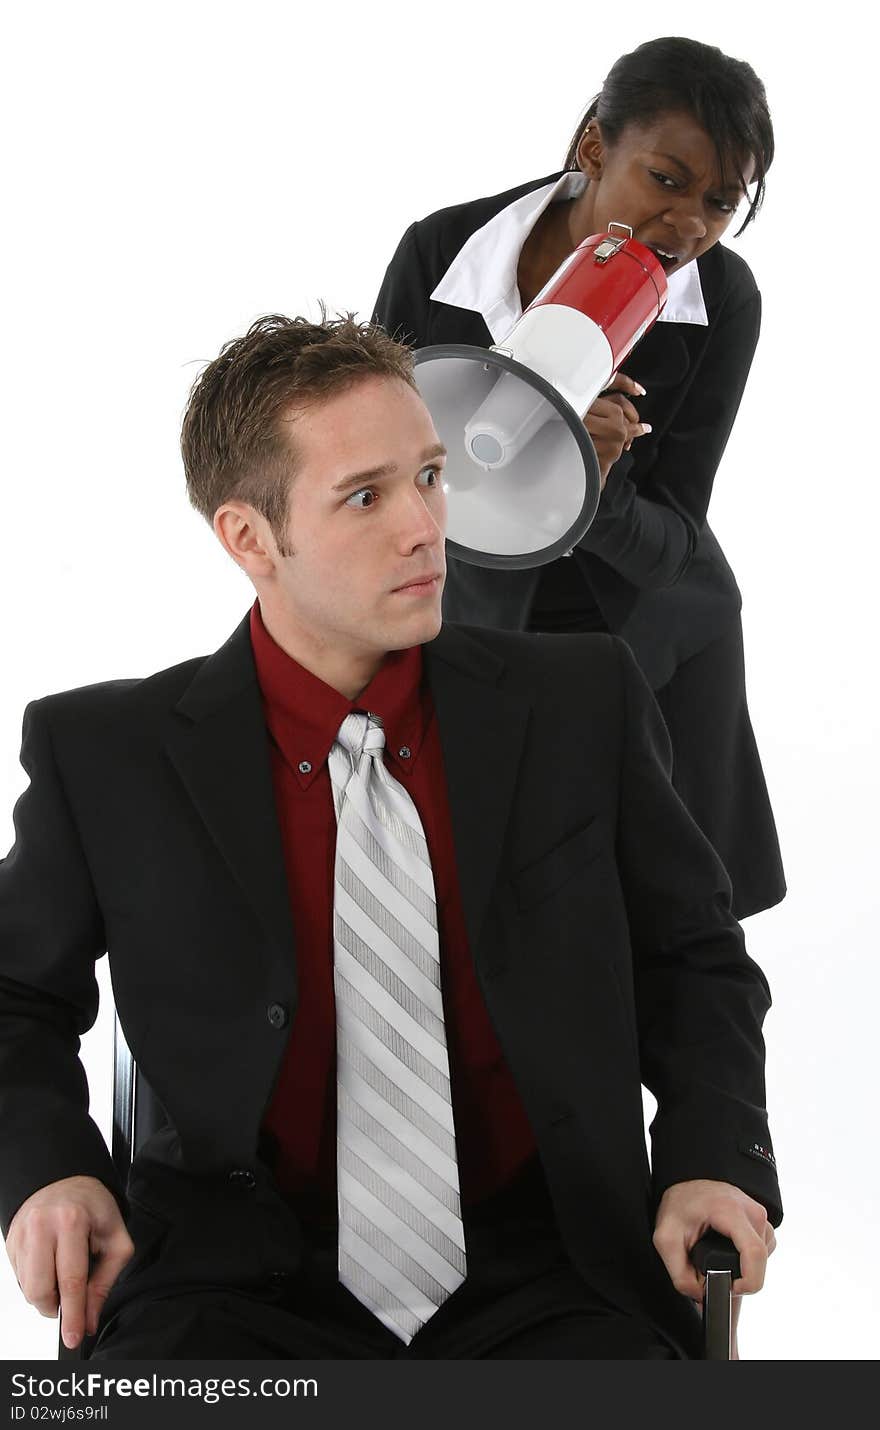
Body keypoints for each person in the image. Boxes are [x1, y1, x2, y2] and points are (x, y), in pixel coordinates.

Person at [0, 314, 780, 1361]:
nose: (424, 526)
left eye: (429, 475)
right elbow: (15, 996)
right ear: (248, 537)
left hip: (556, 1276)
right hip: (220, 1290)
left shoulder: (580, 700)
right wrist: (51, 1167)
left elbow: (694, 957)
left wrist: (707, 1153)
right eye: (366, 495)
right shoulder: (106, 753)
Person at [373, 35, 785, 922]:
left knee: (656, 935)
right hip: (468, 616)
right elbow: (363, 463)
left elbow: (675, 543)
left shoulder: (725, 302)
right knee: (472, 912)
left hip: (643, 639)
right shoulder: (444, 254)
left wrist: (590, 484)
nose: (690, 226)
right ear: (596, 147)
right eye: (666, 180)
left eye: (721, 201)